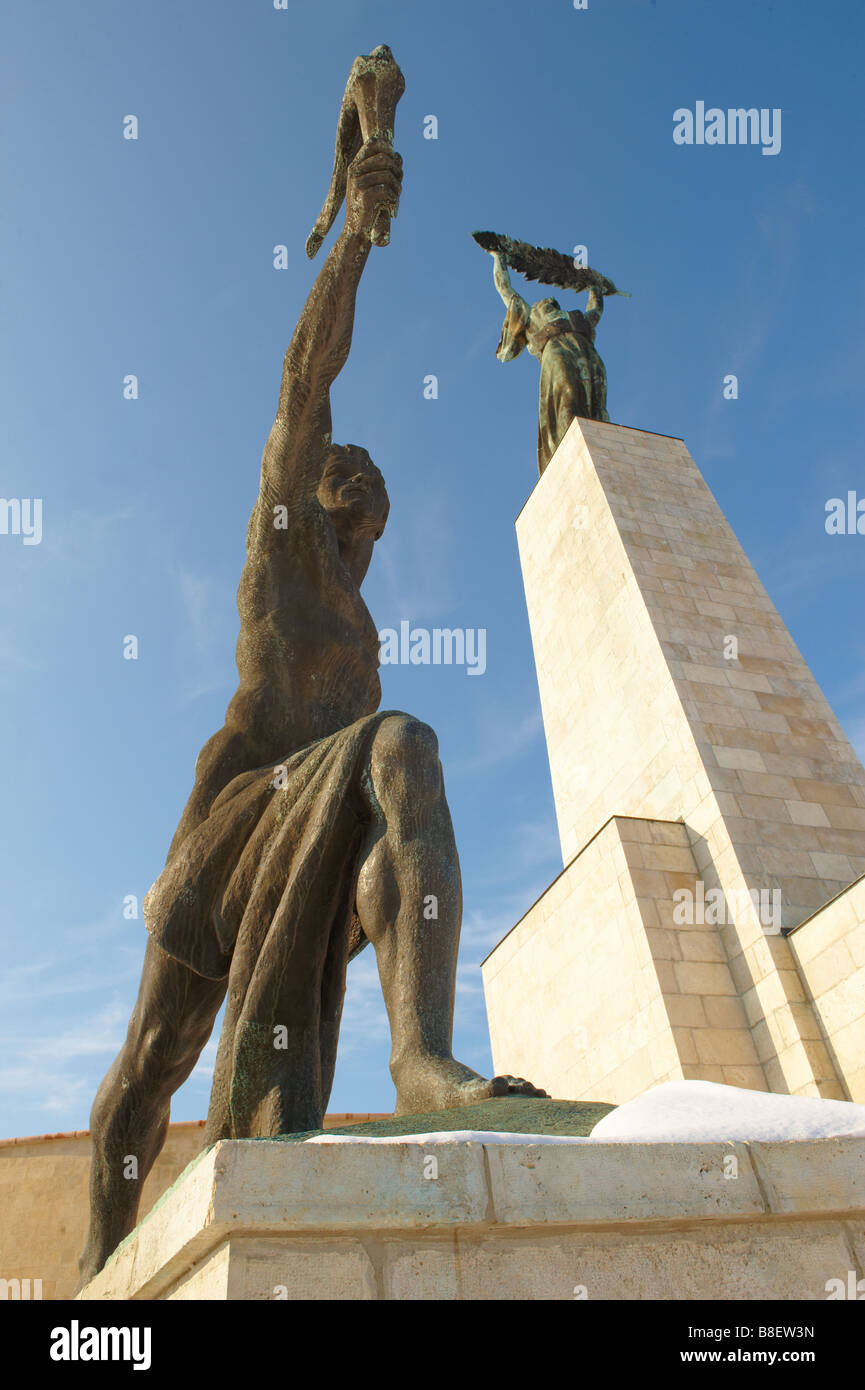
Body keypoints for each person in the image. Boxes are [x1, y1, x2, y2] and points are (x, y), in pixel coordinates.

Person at [77, 138, 544, 1290]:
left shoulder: (367, 638)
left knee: (400, 758)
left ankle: (422, 1056)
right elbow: (304, 378)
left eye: (382, 489)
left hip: (314, 823)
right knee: (149, 1062)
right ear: (317, 486)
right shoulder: (283, 555)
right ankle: (97, 1248)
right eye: (355, 468)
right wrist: (352, 244)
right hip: (225, 837)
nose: (373, 480)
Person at [491, 251, 609, 474]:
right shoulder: (532, 317)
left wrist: (596, 286)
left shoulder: (575, 318)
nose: (548, 301)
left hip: (587, 354)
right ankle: (569, 449)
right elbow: (505, 289)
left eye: (551, 301)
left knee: (594, 403)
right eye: (544, 301)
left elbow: (595, 311)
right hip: (555, 353)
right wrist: (499, 257)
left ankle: (597, 442)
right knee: (568, 392)